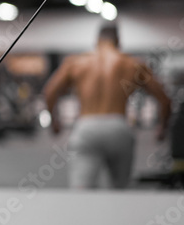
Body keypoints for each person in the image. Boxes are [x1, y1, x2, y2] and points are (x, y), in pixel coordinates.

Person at [43, 24, 171, 188]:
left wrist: (54, 121)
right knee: (119, 191)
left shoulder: (76, 63)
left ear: (97, 40)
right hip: (118, 127)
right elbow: (165, 99)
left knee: (81, 192)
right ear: (118, 41)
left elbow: (49, 92)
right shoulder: (132, 64)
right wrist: (162, 127)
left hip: (86, 127)